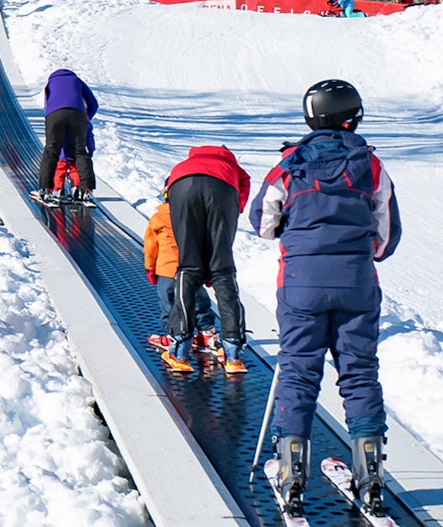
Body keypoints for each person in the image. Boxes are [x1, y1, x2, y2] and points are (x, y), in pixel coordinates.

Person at [249, 79, 402, 518]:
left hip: (299, 283)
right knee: (359, 375)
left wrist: (292, 233)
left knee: (298, 374)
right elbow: (386, 238)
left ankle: (291, 473)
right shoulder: (370, 166)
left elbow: (261, 220)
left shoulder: (290, 163)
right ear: (352, 116)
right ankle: (370, 475)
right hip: (357, 283)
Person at [162, 145, 251, 375]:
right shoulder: (232, 166)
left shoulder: (184, 165)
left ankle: (179, 349)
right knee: (222, 270)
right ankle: (233, 353)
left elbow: (168, 192)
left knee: (188, 267)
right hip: (224, 190)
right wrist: (230, 213)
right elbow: (243, 191)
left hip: (182, 187)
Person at [144, 190, 220, 358]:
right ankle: (207, 333)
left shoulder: (159, 218)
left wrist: (150, 267)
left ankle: (173, 335)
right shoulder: (196, 217)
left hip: (166, 270)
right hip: (192, 268)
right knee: (198, 300)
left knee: (169, 303)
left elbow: (151, 247)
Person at [37, 69, 97, 204]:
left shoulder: (50, 84)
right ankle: (86, 190)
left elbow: (47, 104)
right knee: (80, 151)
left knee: (51, 151)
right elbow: (93, 103)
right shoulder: (77, 81)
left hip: (55, 114)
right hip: (78, 114)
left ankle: (46, 189)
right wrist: (86, 119)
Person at [53, 119, 94, 200]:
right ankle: (76, 186)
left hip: (62, 152)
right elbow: (90, 137)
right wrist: (91, 149)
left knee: (59, 171)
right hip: (76, 152)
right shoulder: (85, 121)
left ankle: (58, 188)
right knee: (75, 170)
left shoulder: (62, 118)